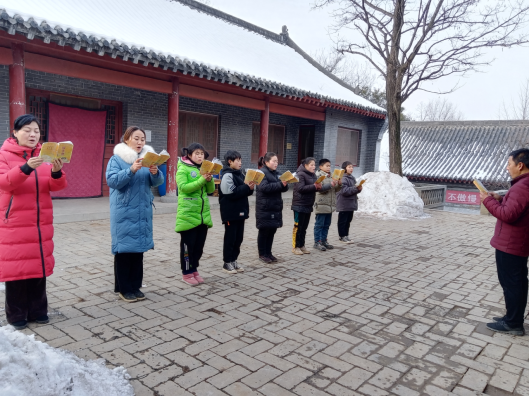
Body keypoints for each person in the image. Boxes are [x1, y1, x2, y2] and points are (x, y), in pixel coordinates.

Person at [0, 114, 67, 330]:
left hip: (40, 223)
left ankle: (39, 311)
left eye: (36, 130)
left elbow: (55, 186)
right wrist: (26, 167)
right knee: (17, 268)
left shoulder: (45, 156)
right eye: (27, 130)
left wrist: (57, 172)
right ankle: (16, 314)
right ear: (15, 132)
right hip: (15, 221)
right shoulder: (4, 155)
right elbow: (5, 182)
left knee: (38, 266)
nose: (32, 134)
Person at [106, 126, 164, 303]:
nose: (140, 142)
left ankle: (135, 286)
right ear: (126, 139)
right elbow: (112, 180)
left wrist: (156, 173)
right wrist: (130, 170)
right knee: (124, 251)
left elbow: (157, 182)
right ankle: (124, 289)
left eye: (142, 139)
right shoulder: (117, 159)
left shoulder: (146, 159)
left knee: (138, 251)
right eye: (136, 138)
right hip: (124, 211)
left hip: (142, 211)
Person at [481, 148, 529, 336]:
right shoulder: (523, 185)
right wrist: (500, 198)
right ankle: (511, 317)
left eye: (509, 164)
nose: (507, 168)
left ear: (520, 165)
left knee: (513, 283)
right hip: (514, 242)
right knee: (512, 282)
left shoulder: (523, 186)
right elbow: (516, 209)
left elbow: (508, 214)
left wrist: (487, 201)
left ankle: (513, 323)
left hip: (512, 244)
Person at [175, 143, 215, 285]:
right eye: (197, 153)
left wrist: (209, 180)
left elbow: (210, 190)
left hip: (202, 216)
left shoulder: (203, 168)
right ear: (189, 155)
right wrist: (202, 179)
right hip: (188, 215)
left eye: (202, 154)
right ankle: (186, 273)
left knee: (199, 246)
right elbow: (183, 187)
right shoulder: (183, 168)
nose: (200, 156)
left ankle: (194, 269)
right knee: (188, 247)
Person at [219, 150, 255, 274]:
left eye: (240, 160)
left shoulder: (241, 174)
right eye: (237, 160)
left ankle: (234, 260)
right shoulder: (227, 175)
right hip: (230, 212)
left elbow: (244, 191)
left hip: (241, 211)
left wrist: (250, 187)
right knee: (230, 238)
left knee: (238, 238)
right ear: (230, 162)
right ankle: (227, 262)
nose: (240, 163)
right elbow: (230, 193)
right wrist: (246, 187)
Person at [255, 152, 289, 263]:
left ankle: (268, 253)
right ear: (266, 162)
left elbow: (283, 189)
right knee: (264, 231)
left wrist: (285, 184)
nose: (276, 163)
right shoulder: (261, 173)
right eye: (274, 161)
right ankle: (262, 254)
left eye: (277, 161)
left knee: (272, 230)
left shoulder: (277, 173)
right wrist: (280, 185)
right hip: (264, 207)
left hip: (275, 206)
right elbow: (264, 187)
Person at [291, 157, 322, 255]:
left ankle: (302, 245)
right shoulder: (299, 174)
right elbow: (300, 188)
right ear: (306, 165)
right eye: (311, 165)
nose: (314, 167)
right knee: (298, 227)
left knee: (304, 227)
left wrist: (317, 187)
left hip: (308, 204)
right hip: (299, 205)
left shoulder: (313, 175)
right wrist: (314, 186)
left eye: (314, 164)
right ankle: (295, 246)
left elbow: (313, 188)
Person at [313, 158, 342, 251]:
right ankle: (317, 242)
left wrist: (339, 184)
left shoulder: (331, 176)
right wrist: (331, 184)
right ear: (321, 167)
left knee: (326, 224)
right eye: (327, 166)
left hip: (329, 205)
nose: (329, 167)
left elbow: (335, 190)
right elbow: (320, 189)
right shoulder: (318, 176)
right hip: (321, 203)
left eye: (329, 166)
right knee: (319, 225)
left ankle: (324, 241)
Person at [336, 161, 362, 243]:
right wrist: (355, 188)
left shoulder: (352, 177)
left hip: (350, 203)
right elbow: (344, 191)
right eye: (349, 167)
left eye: (352, 167)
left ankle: (346, 235)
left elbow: (353, 189)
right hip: (344, 203)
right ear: (345, 168)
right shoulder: (343, 178)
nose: (351, 169)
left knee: (348, 220)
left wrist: (358, 189)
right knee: (343, 221)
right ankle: (342, 236)